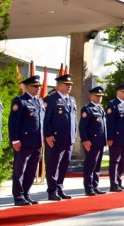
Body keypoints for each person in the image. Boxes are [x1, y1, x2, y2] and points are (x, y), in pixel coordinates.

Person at [9, 74, 44, 206]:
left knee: (31, 170)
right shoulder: (20, 101)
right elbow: (13, 123)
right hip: (23, 143)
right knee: (20, 170)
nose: (37, 89)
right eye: (35, 86)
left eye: (38, 87)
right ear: (27, 87)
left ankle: (26, 194)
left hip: (37, 142)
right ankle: (18, 196)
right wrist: (15, 140)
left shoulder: (39, 102)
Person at [42, 72, 77, 201]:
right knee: (53, 165)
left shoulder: (72, 100)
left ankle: (59, 188)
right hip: (55, 139)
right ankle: (52, 191)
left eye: (70, 85)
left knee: (64, 165)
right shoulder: (51, 99)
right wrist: (48, 135)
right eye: (66, 84)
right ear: (59, 85)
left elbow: (74, 120)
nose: (69, 87)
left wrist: (74, 135)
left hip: (68, 139)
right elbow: (45, 120)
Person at [79, 86, 108, 196]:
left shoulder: (100, 109)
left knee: (97, 166)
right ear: (91, 96)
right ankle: (88, 187)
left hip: (100, 142)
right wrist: (85, 140)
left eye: (100, 96)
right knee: (90, 165)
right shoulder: (87, 109)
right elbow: (82, 127)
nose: (99, 98)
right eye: (97, 96)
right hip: (91, 142)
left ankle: (95, 185)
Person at [106, 82, 124, 192]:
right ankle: (114, 184)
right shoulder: (113, 104)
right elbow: (110, 123)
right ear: (118, 92)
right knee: (115, 161)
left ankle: (119, 181)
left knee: (122, 161)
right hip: (116, 138)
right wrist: (110, 138)